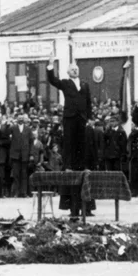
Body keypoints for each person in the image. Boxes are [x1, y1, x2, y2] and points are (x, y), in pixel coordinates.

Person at [47, 55, 92, 218]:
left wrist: (89, 117)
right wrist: (50, 66)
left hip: (82, 117)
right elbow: (52, 80)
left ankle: (81, 164)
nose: (75, 70)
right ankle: (70, 165)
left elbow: (88, 102)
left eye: (76, 69)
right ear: (68, 72)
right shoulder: (65, 83)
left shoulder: (85, 84)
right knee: (70, 142)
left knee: (82, 143)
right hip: (70, 116)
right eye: (72, 69)